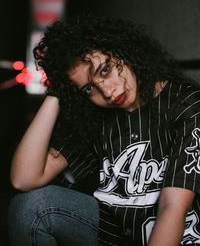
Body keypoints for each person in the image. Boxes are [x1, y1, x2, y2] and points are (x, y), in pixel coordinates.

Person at [8, 14, 200, 246]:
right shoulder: (96, 117)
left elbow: (173, 208)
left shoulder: (186, 105)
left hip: (173, 237)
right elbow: (24, 179)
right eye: (89, 88)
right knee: (30, 207)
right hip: (114, 234)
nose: (107, 92)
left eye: (105, 70)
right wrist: (58, 91)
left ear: (124, 50)